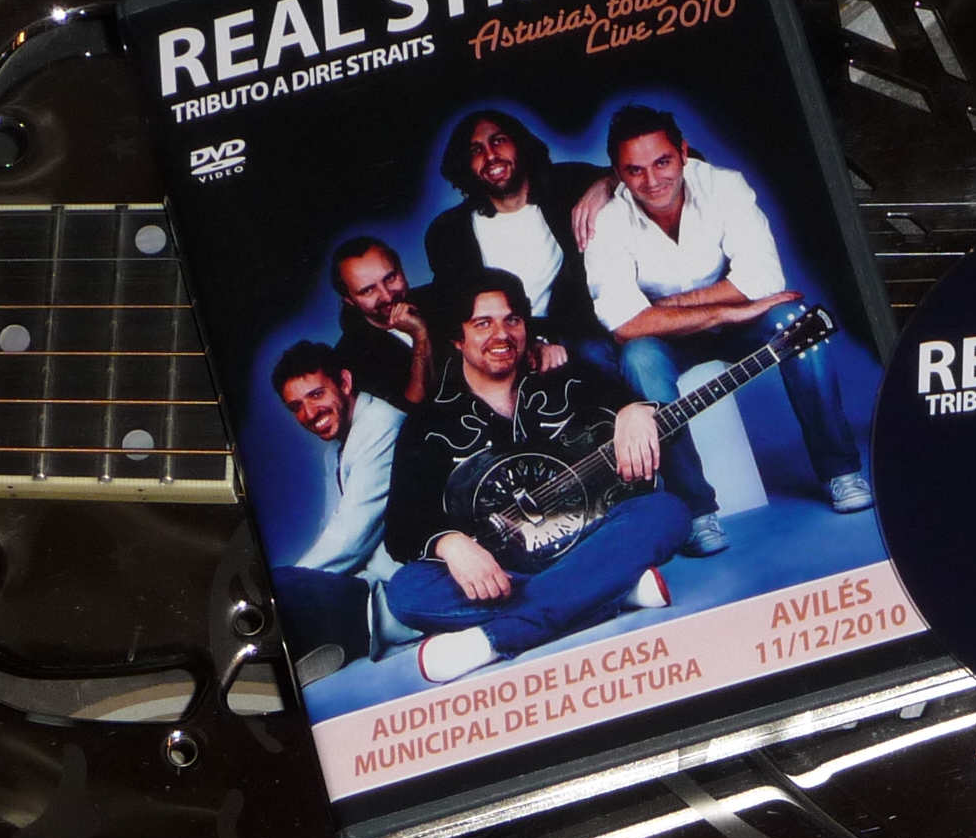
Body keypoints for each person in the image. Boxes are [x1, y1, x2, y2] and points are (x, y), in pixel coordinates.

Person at [582, 105, 872, 557]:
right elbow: (624, 323)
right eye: (634, 170)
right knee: (638, 359)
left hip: (734, 325)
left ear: (683, 152)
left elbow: (763, 278)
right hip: (669, 341)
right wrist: (725, 312)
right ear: (617, 174)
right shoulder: (608, 221)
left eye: (662, 162)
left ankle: (840, 470)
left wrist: (669, 308)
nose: (652, 180)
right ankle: (697, 510)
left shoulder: (725, 186)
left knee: (794, 323)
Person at [383, 268, 690, 685]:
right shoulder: (429, 424)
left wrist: (635, 410)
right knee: (406, 591)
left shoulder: (566, 380)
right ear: (457, 339)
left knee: (666, 511)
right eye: (482, 323)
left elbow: (635, 410)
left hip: (588, 539)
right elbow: (401, 528)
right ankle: (613, 588)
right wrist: (451, 544)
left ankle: (494, 639)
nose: (501, 334)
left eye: (512, 320)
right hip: (504, 570)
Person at [426, 110, 614, 374]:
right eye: (476, 150)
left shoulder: (566, 185)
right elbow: (455, 312)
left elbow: (632, 170)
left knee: (594, 357)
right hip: (503, 342)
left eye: (498, 141)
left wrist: (605, 185)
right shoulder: (450, 232)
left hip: (578, 330)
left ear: (520, 144)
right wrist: (531, 343)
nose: (490, 156)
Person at [267, 341, 405, 681]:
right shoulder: (337, 452)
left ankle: (320, 644)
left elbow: (352, 539)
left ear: (344, 382)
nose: (309, 413)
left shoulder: (382, 424)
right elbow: (332, 530)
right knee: (276, 589)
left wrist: (289, 589)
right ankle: (313, 650)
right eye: (296, 407)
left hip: (390, 593)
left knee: (276, 589)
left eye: (316, 395)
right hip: (359, 586)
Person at [331, 237, 437, 410]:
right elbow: (408, 411)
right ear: (349, 300)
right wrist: (420, 337)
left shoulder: (439, 296)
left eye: (390, 278)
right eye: (368, 290)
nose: (387, 296)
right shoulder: (349, 358)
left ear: (401, 269)